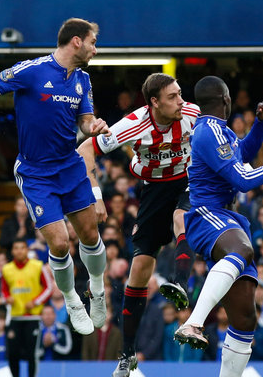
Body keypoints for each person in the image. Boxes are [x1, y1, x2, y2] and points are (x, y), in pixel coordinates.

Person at [0, 18, 110, 336]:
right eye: (93, 42)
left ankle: (97, 289)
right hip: (36, 173)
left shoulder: (83, 79)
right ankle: (71, 300)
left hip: (70, 167)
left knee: (90, 234)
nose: (95, 50)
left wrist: (92, 126)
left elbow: (84, 120)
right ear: (76, 41)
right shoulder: (32, 70)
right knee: (60, 243)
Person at [172, 75, 263, 377]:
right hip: (208, 215)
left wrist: (260, 125)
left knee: (245, 317)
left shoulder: (220, 131)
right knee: (242, 249)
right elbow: (243, 180)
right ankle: (193, 322)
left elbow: (243, 155)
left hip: (228, 219)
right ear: (225, 99)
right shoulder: (209, 131)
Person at [76, 73, 199, 374]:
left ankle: (180, 283)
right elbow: (85, 149)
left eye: (180, 94)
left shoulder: (193, 114)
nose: (181, 101)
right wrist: (96, 195)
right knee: (139, 269)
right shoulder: (134, 123)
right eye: (173, 97)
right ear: (154, 102)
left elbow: (226, 140)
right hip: (154, 189)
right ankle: (127, 354)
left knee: (181, 218)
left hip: (188, 181)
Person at [1, 239, 54, 377]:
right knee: (13, 354)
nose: (19, 251)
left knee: (32, 354)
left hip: (33, 317)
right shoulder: (6, 269)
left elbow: (49, 287)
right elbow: (3, 290)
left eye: (22, 248)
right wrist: (7, 298)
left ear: (27, 250)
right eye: (16, 248)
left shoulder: (38, 266)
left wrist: (36, 302)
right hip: (15, 316)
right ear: (12, 251)